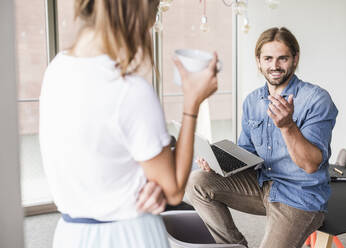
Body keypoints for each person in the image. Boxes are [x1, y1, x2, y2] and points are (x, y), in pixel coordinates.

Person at [39, 0, 218, 247]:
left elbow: (99, 155)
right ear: (134, 12)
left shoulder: (56, 70)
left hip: (71, 235)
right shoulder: (130, 91)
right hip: (129, 236)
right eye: (153, 12)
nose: (151, 24)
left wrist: (145, 182)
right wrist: (192, 103)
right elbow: (174, 190)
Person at [186, 27, 338, 248]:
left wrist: (288, 127)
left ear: (295, 59)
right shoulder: (252, 101)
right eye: (268, 58)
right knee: (197, 181)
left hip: (299, 197)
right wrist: (218, 163)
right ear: (258, 61)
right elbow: (247, 153)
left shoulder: (316, 99)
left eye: (282, 58)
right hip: (261, 185)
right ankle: (234, 245)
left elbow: (311, 164)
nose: (274, 66)